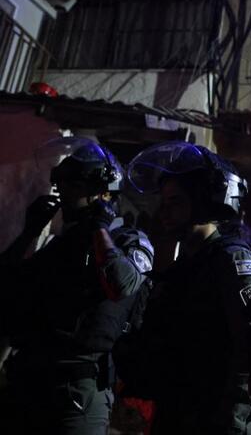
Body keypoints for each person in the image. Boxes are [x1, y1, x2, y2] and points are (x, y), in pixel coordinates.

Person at [0, 137, 154, 435]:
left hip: (76, 392)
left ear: (104, 195)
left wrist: (99, 227)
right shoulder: (58, 246)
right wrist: (26, 235)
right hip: (28, 381)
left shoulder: (128, 241)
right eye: (62, 186)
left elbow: (122, 284)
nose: (64, 196)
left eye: (74, 187)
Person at [116, 141, 251, 434]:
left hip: (217, 420)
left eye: (176, 201)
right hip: (179, 412)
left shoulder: (231, 260)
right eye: (164, 202)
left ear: (205, 201)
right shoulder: (184, 266)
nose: (164, 211)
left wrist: (232, 419)